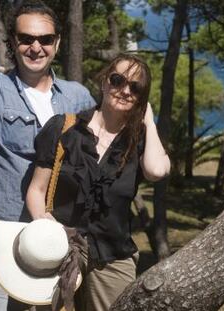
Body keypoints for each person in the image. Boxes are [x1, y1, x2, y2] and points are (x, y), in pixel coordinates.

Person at [0, 1, 96, 310]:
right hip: (10, 244)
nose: (35, 47)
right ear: (12, 43)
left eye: (45, 39)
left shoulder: (78, 96)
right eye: (26, 38)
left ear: (56, 43)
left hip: (61, 242)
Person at [26, 53, 171, 311]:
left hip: (112, 257)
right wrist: (43, 224)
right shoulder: (64, 128)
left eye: (136, 88)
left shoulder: (138, 143)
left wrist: (148, 120)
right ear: (105, 81)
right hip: (58, 250)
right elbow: (36, 190)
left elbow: (157, 171)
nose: (125, 90)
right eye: (118, 80)